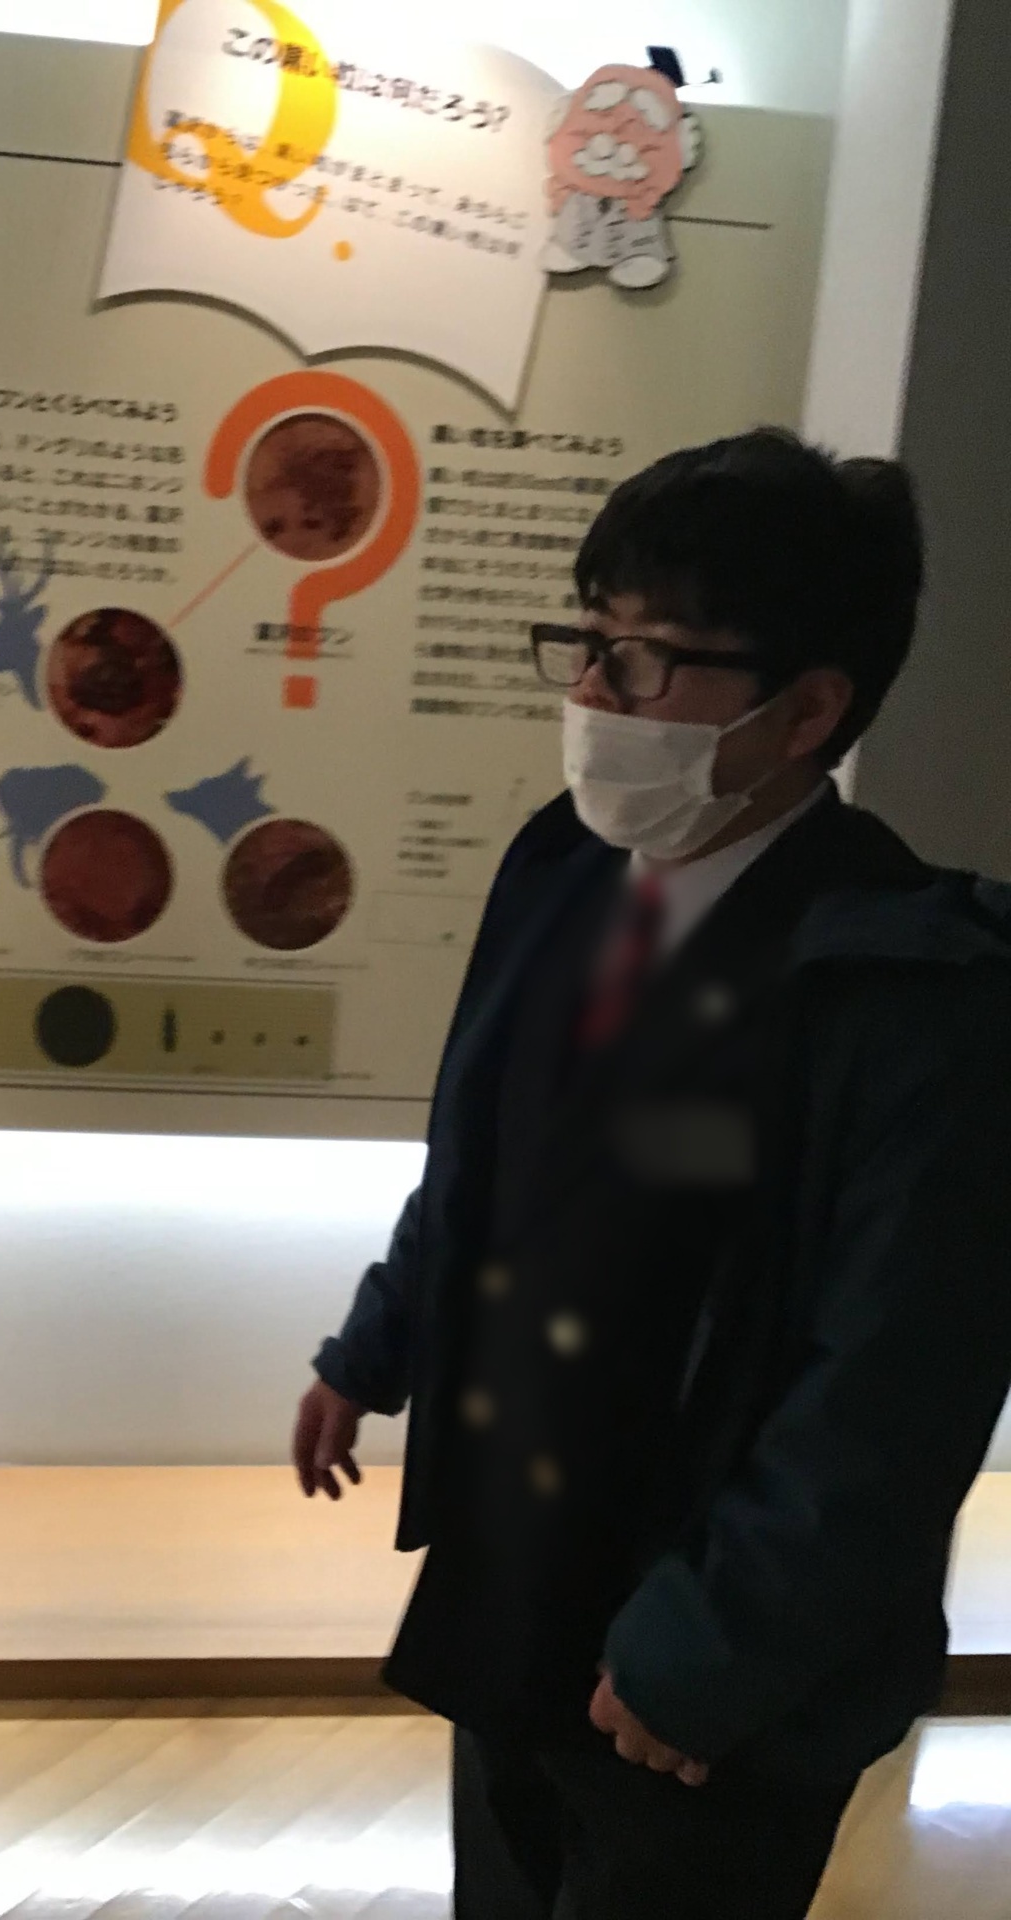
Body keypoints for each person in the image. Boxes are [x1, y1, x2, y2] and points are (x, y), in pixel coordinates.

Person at [291, 429, 1011, 1919]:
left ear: (808, 708)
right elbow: (487, 1152)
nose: (591, 697)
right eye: (588, 641)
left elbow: (892, 1391)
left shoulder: (917, 990)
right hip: (515, 1570)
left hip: (707, 1656)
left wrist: (709, 1654)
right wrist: (376, 1344)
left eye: (647, 661)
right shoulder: (561, 869)